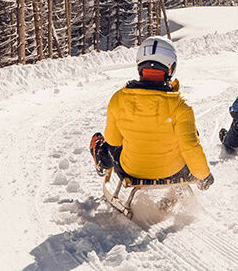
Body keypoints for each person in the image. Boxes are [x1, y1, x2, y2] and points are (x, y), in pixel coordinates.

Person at [89, 36, 214, 189]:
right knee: (191, 134)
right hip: (172, 171)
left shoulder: (119, 99)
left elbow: (113, 140)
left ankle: (101, 160)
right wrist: (204, 176)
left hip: (131, 170)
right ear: (171, 67)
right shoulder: (181, 106)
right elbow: (190, 147)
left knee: (111, 145)